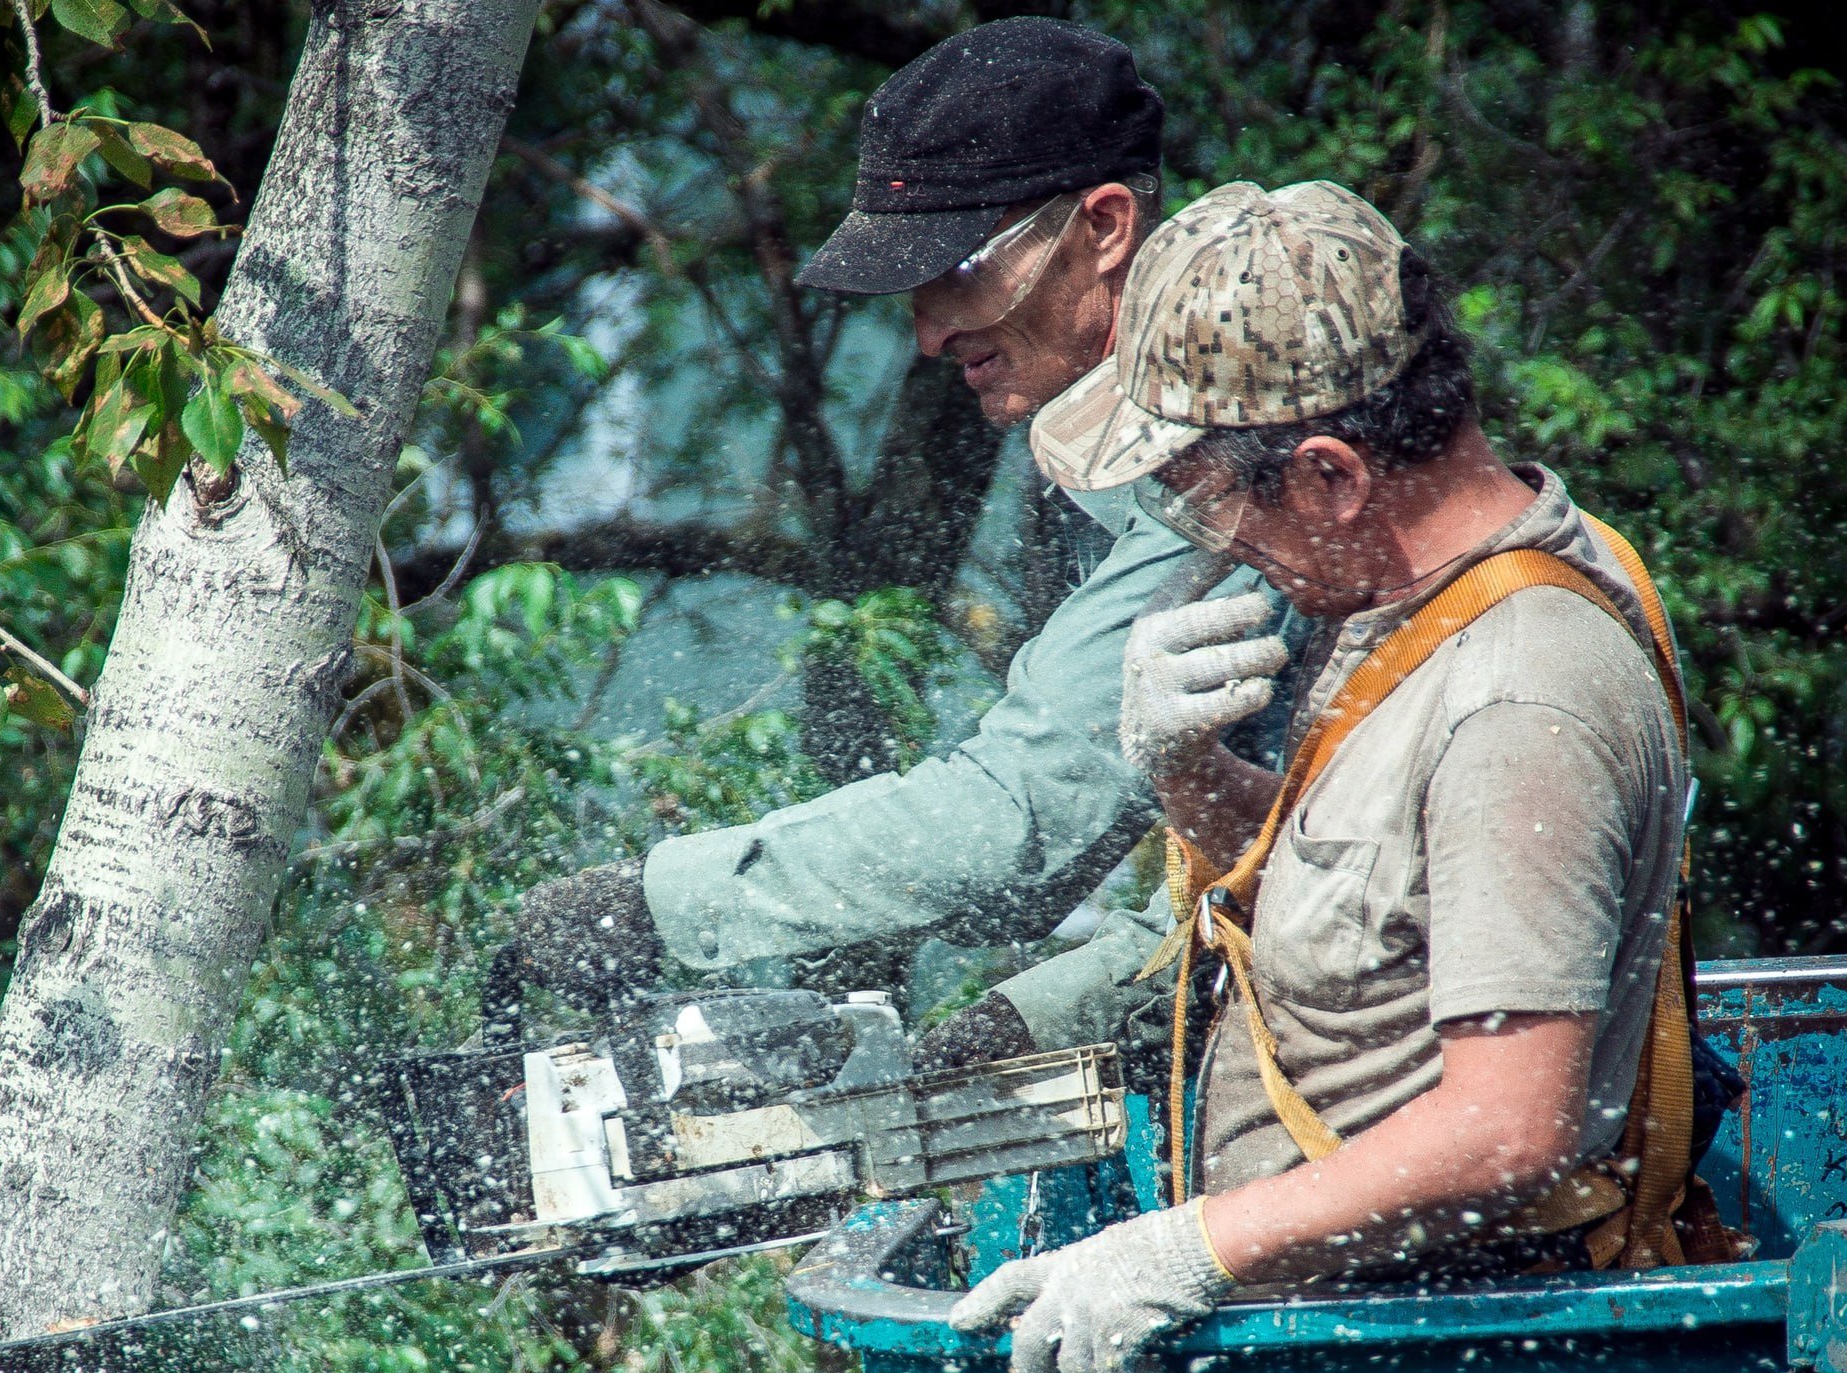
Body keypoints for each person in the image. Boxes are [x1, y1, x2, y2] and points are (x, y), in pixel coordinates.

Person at [952, 180, 1695, 1373]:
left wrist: (1189, 1250)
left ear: (1332, 476)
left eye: (1200, 492)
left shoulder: (1515, 698)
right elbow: (1380, 912)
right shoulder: (1414, 597)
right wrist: (1189, 777)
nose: (1204, 537)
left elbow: (1512, 1128)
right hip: (1365, 1340)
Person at [507, 19, 1301, 1066]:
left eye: (958, 270)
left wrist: (648, 903)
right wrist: (1042, 1014)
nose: (928, 333)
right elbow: (1253, 859)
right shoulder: (1104, 460)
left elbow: (1014, 826)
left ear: (1104, 227)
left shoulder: (1228, 473)